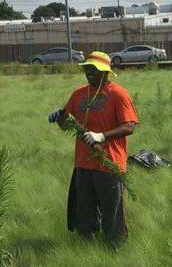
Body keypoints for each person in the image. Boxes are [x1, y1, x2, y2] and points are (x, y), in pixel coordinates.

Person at [48, 51, 138, 248]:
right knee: (84, 211)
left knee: (112, 212)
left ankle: (115, 248)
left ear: (105, 72)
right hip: (83, 163)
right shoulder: (79, 94)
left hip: (110, 163)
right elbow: (67, 122)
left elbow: (129, 126)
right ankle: (86, 249)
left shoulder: (118, 94)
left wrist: (102, 136)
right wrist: (59, 117)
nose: (89, 72)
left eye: (94, 69)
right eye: (87, 69)